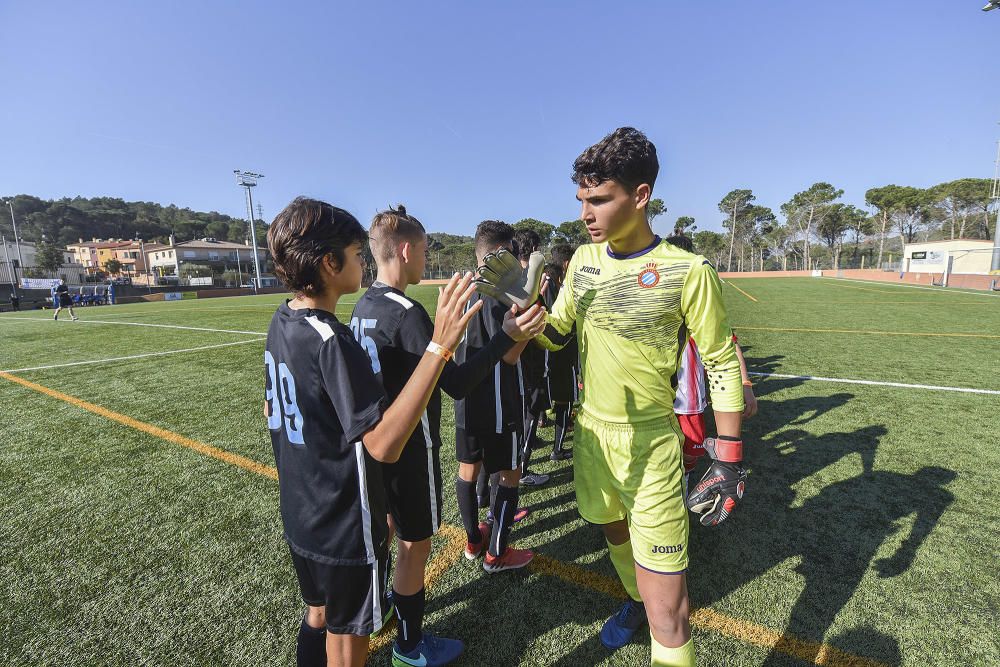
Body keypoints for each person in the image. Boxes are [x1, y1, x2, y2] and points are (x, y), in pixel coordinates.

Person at [536, 128, 748, 667]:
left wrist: (728, 455)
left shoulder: (689, 271)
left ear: (642, 195)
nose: (587, 211)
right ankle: (632, 599)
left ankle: (651, 612)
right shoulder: (582, 261)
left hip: (652, 445)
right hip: (592, 437)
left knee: (670, 616)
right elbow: (557, 333)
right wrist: (522, 318)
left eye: (600, 198)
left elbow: (721, 360)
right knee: (611, 529)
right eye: (582, 199)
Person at [263, 197, 481, 667]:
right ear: (328, 262)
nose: (363, 261)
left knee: (317, 613)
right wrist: (440, 346)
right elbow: (382, 445)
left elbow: (270, 407)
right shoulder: (330, 341)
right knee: (347, 640)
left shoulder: (281, 322)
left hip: (301, 512)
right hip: (341, 519)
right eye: (355, 253)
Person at [351, 205, 545, 667]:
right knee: (415, 545)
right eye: (422, 250)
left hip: (373, 443)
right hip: (408, 444)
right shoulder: (408, 313)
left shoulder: (364, 305)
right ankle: (410, 645)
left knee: (388, 531)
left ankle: (384, 612)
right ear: (404, 249)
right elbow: (455, 382)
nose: (426, 259)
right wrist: (508, 335)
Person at [454, 220, 536, 572]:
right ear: (503, 254)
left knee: (468, 469)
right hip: (500, 399)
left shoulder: (461, 289)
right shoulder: (500, 292)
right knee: (511, 472)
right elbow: (510, 355)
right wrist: (533, 324)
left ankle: (474, 540)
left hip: (466, 399)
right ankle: (497, 553)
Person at [664, 234, 758, 493]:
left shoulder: (699, 299)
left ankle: (682, 490)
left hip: (687, 398)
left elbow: (729, 345)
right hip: (653, 396)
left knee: (689, 452)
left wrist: (745, 384)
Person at [512, 228, 550, 487]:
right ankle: (522, 468)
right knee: (529, 413)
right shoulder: (534, 279)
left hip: (515, 360)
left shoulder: (512, 278)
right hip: (532, 356)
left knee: (520, 414)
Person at [540, 245, 579, 461]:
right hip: (561, 356)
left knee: (539, 402)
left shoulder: (542, 277)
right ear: (567, 263)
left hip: (541, 356)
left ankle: (541, 422)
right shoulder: (557, 285)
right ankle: (557, 449)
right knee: (564, 402)